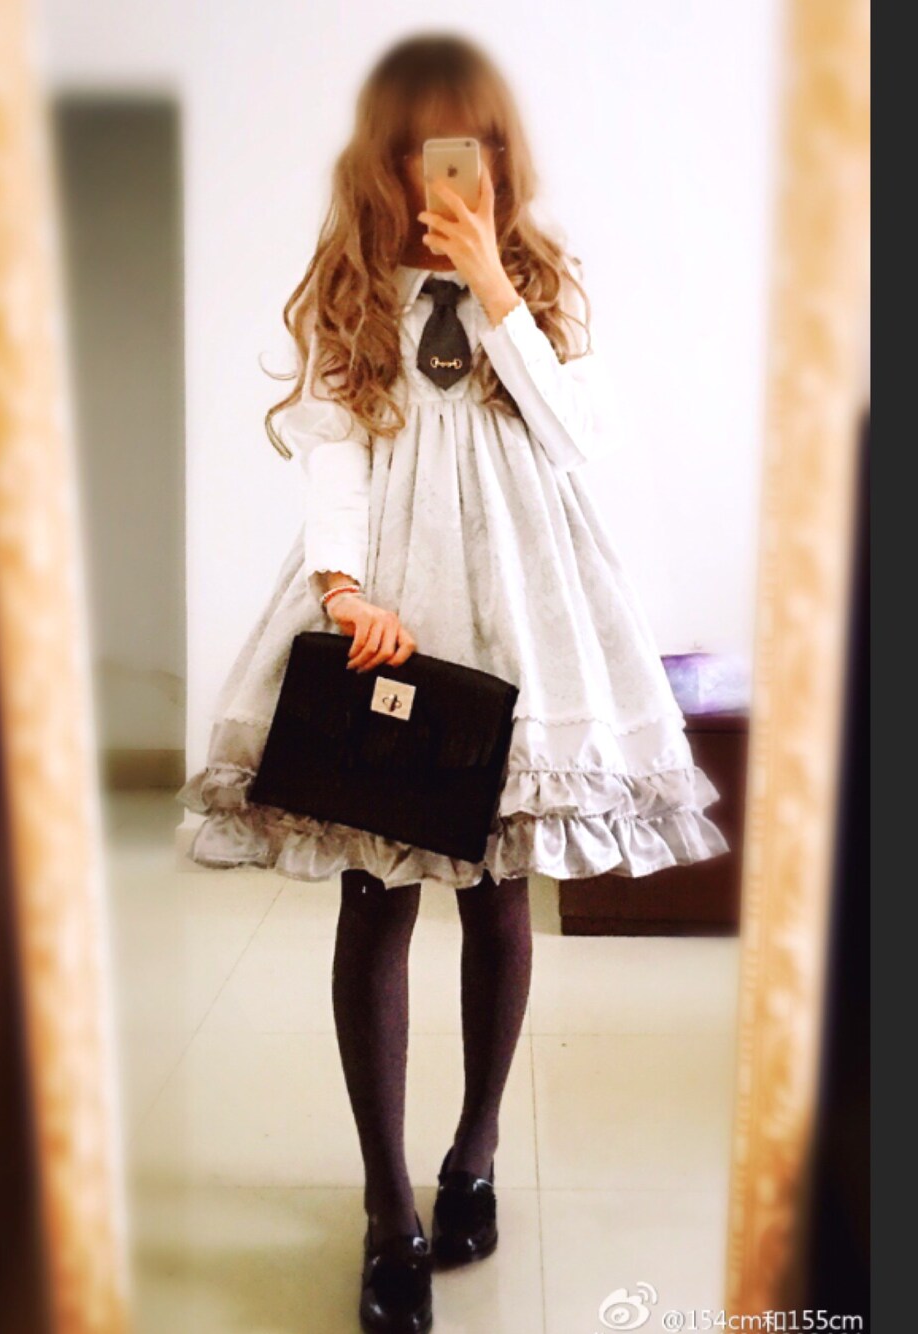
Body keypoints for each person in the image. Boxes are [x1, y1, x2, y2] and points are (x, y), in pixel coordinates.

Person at [178, 31, 727, 1333]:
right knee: (374, 890)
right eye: (421, 148)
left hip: (523, 607)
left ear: (495, 156)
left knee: (496, 888)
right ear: (385, 157)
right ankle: (389, 1206)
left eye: (465, 147)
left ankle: (473, 1153)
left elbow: (576, 439)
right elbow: (332, 447)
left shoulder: (537, 279)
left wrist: (493, 287)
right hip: (391, 599)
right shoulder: (353, 286)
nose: (444, 172)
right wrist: (342, 589)